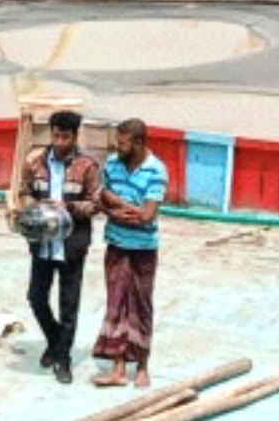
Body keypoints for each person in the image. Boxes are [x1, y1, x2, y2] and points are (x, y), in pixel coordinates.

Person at [17, 110, 101, 385]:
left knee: (69, 304)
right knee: (36, 297)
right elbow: (25, 191)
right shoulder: (36, 162)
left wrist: (67, 208)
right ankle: (55, 341)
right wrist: (33, 207)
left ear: (75, 136)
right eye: (55, 135)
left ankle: (62, 359)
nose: (59, 141)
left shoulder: (88, 166)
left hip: (71, 244)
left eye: (65, 136)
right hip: (42, 242)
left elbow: (94, 204)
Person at [91, 119, 168, 389]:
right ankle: (119, 366)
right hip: (117, 244)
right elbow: (100, 199)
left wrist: (118, 202)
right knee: (117, 305)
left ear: (137, 143)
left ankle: (143, 366)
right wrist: (113, 208)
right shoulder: (111, 165)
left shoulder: (156, 170)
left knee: (141, 306)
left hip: (144, 249)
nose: (117, 147)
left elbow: (147, 216)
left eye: (122, 143)